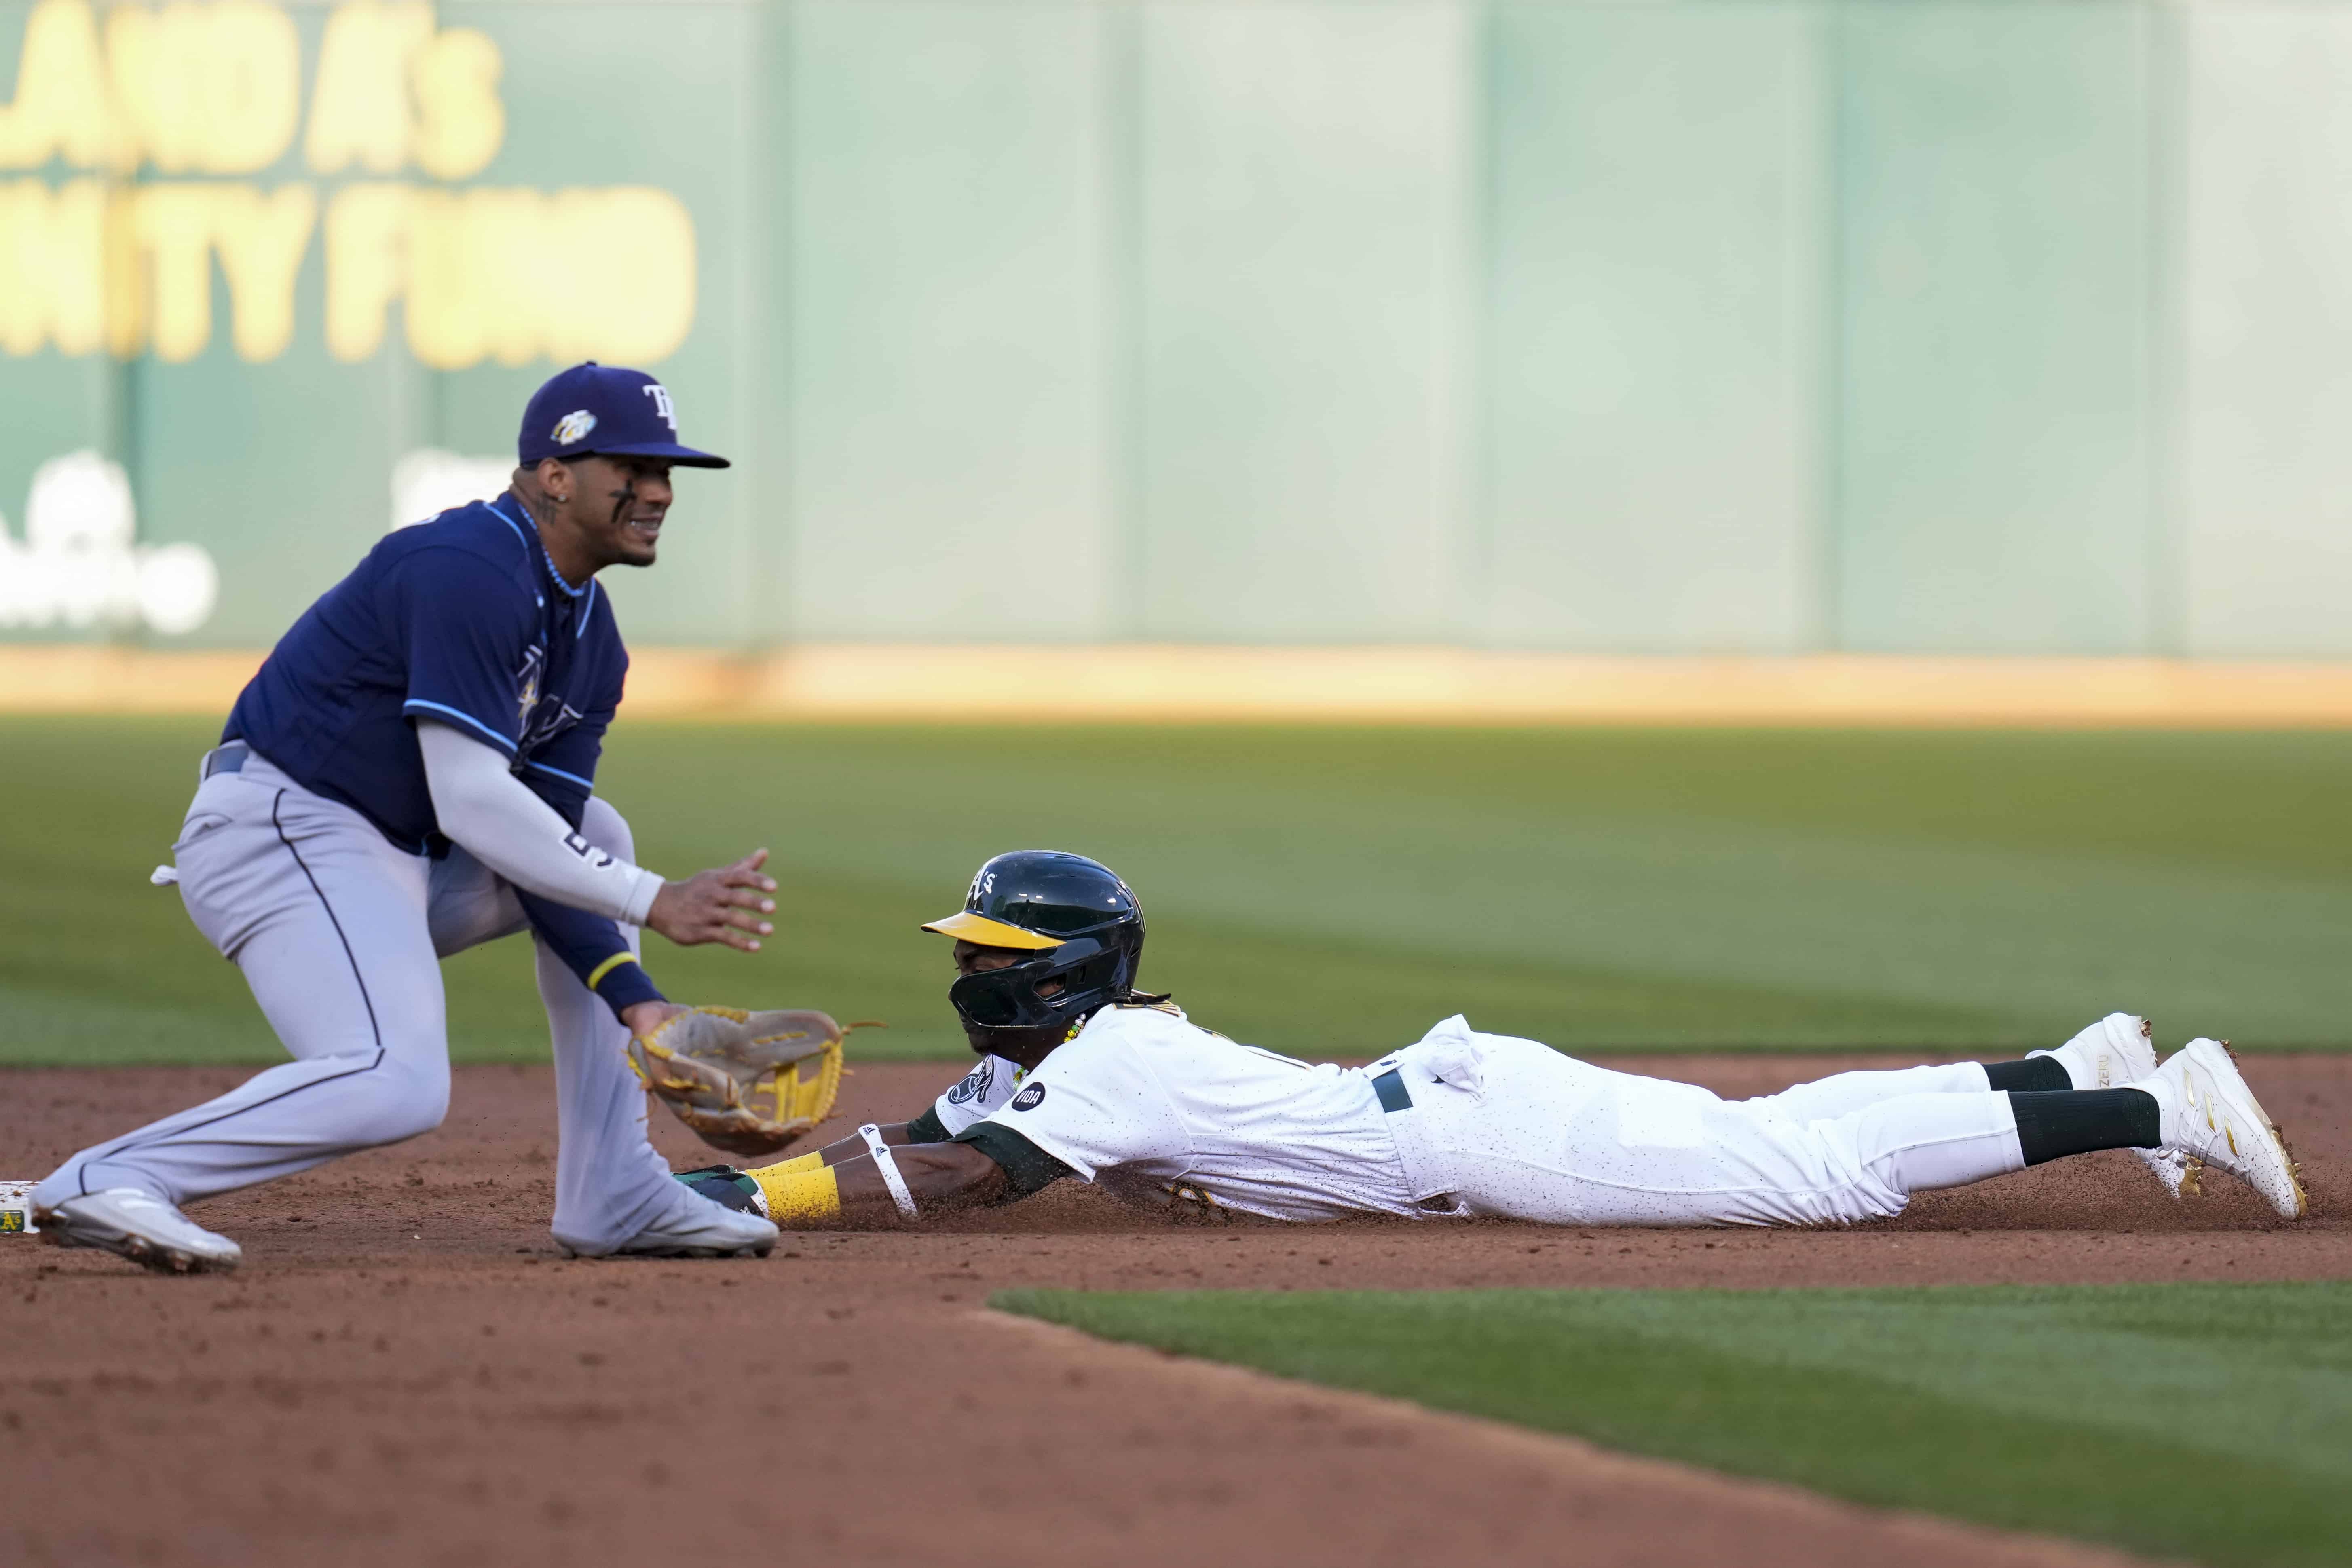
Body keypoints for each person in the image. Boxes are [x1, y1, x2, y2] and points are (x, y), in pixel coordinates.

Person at [36, 363, 784, 1272]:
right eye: (633, 467)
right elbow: (468, 796)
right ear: (555, 473)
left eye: (668, 473)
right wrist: (653, 899)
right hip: (280, 829)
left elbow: (544, 844)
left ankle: (614, 1191)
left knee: (598, 830)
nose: (661, 492)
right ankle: (109, 1175)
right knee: (396, 1080)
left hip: (385, 858)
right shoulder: (468, 567)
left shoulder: (592, 639)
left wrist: (643, 1007)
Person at [677, 850, 2308, 1231]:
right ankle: (2065, 1059)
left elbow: (964, 1179)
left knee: (1814, 1175)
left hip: (1476, 1139)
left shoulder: (1097, 1066)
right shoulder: (1060, 1060)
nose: (971, 973)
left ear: (1062, 971)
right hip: (1463, 1099)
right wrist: (739, 1154)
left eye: (993, 953)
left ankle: (2143, 1100)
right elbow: (939, 1135)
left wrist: (745, 1209)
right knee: (1793, 1118)